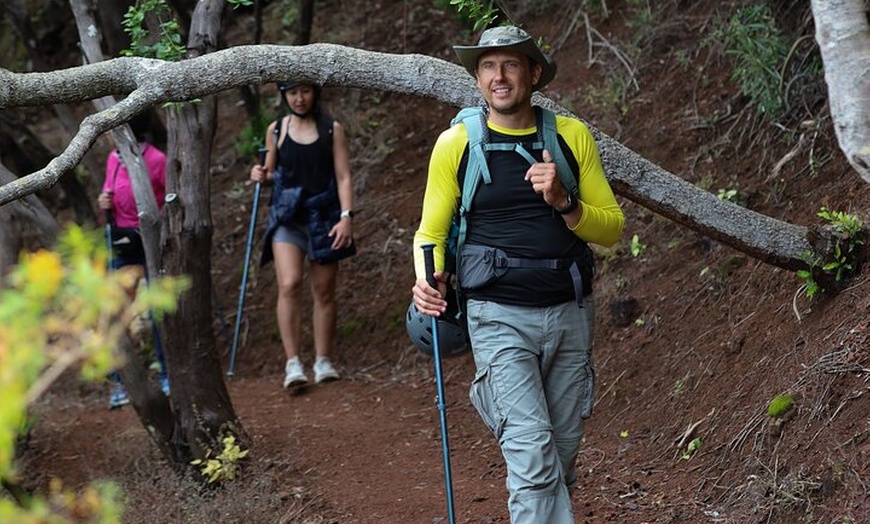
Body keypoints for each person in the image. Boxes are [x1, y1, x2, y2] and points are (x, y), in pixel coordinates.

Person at [411, 26, 625, 523]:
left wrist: (564, 202)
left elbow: (612, 227)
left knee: (561, 457)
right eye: (488, 66)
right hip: (496, 315)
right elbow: (430, 232)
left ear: (533, 74)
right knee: (532, 457)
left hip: (570, 312)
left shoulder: (570, 137)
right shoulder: (457, 143)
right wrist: (429, 277)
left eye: (510, 65)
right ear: (478, 77)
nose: (499, 76)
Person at [250, 80, 355, 389]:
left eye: (305, 91)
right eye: (293, 92)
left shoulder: (331, 129)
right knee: (289, 283)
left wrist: (346, 217)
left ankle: (323, 360)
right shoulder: (277, 130)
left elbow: (343, 176)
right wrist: (259, 175)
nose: (299, 98)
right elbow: (269, 173)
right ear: (284, 95)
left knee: (324, 290)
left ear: (315, 93)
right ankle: (293, 363)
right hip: (288, 215)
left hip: (324, 216)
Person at [98, 111, 169, 409]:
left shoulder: (156, 160)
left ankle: (167, 374)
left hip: (150, 240)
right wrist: (104, 201)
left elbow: (169, 199)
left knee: (157, 310)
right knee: (117, 310)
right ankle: (121, 381)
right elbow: (108, 193)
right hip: (122, 242)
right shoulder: (115, 159)